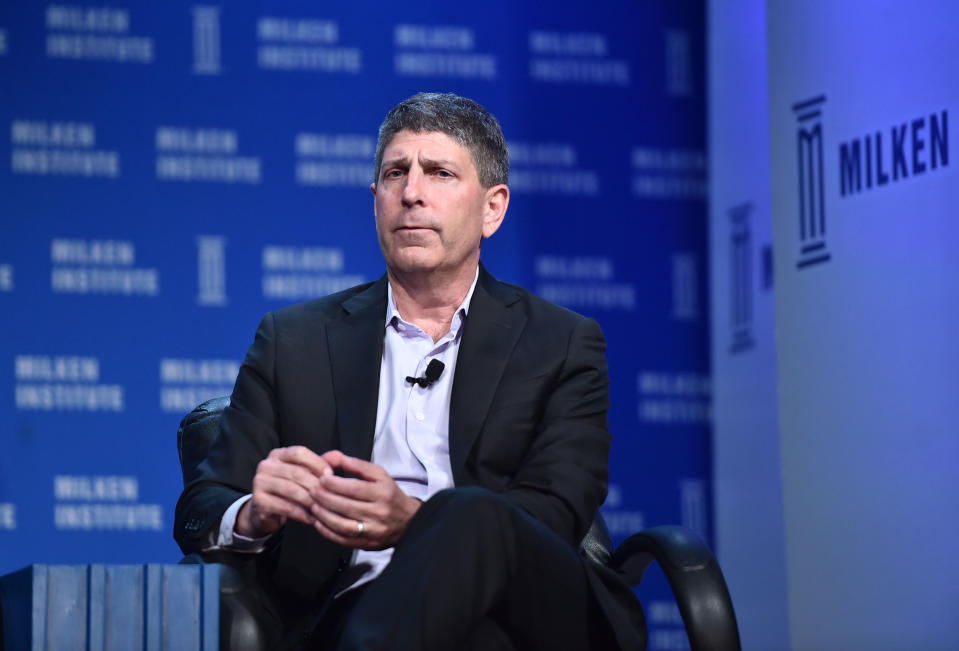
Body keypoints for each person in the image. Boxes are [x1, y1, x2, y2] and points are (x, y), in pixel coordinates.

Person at [175, 92, 645, 650]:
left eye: (440, 172)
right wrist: (253, 514)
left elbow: (556, 511)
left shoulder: (562, 342)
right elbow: (201, 505)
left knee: (473, 514)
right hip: (353, 609)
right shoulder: (293, 340)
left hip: (530, 612)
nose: (412, 193)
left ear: (492, 208)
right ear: (376, 201)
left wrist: (418, 524)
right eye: (395, 173)